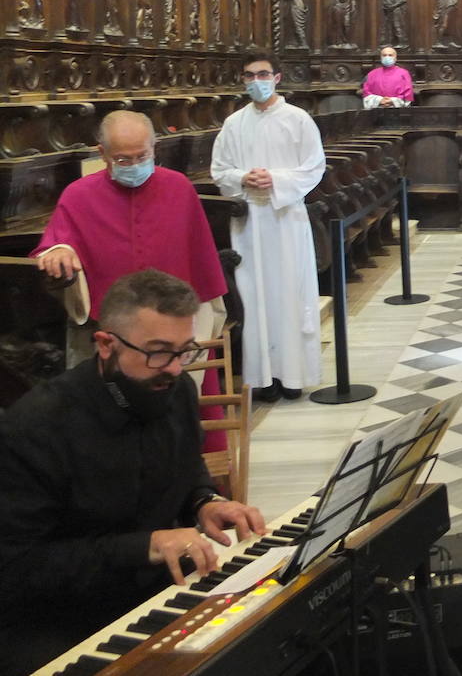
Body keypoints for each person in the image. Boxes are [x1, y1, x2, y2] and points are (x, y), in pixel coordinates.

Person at [0, 269, 266, 676]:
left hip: (159, 593)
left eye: (184, 351)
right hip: (63, 620)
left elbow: (184, 463)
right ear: (106, 344)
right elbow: (18, 567)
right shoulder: (37, 426)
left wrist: (204, 501)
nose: (176, 369)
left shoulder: (176, 391)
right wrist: (146, 545)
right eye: (159, 352)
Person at [32, 111, 227, 362]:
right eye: (123, 160)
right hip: (111, 325)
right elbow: (56, 243)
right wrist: (59, 250)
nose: (135, 165)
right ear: (103, 153)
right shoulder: (78, 194)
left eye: (142, 156)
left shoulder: (179, 187)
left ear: (154, 148)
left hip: (174, 318)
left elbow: (201, 256)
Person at [211, 52, 326, 403]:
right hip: (248, 222)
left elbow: (314, 167)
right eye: (249, 76)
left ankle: (292, 375)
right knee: (254, 296)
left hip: (286, 218)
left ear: (277, 77)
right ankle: (262, 378)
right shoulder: (234, 124)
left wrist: (273, 179)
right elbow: (219, 170)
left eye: (262, 74)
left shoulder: (298, 119)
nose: (255, 82)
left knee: (290, 295)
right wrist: (242, 177)